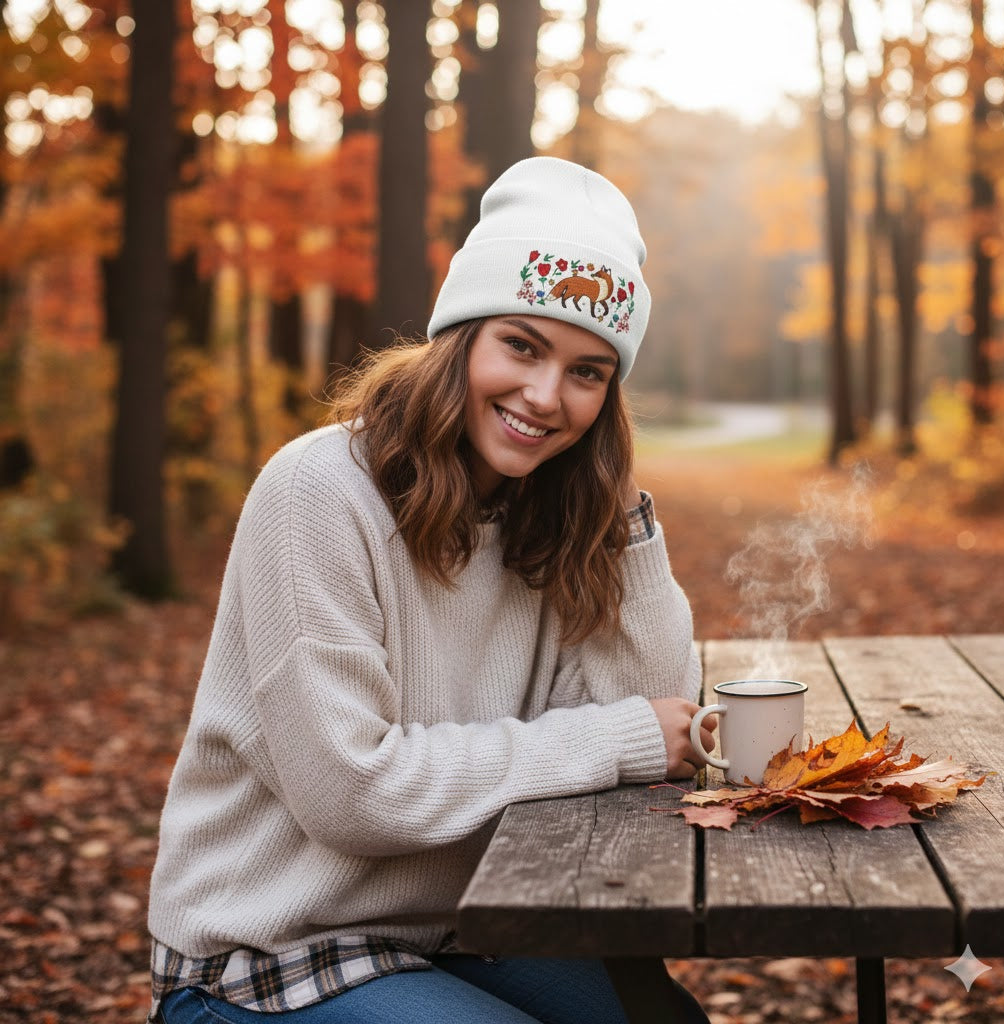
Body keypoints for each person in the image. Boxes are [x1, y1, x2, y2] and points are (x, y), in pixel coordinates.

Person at [147, 156, 715, 1024]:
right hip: (268, 950)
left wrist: (622, 522)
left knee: (659, 1021)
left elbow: (647, 710)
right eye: (521, 346)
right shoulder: (319, 493)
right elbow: (353, 793)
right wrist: (620, 737)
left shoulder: (544, 508)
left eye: (588, 372)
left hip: (454, 931)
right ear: (462, 337)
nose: (544, 396)